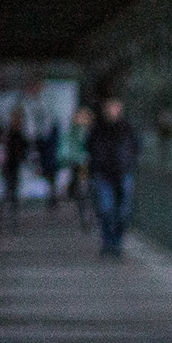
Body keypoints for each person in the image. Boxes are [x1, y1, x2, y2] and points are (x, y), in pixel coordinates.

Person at [86, 98, 141, 257]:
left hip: (123, 174)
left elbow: (135, 147)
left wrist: (130, 164)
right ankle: (108, 243)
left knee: (123, 211)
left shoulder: (126, 128)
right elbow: (90, 147)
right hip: (103, 174)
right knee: (106, 209)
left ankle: (117, 243)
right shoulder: (98, 129)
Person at [55, 106, 94, 230]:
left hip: (89, 164)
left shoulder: (91, 131)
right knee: (83, 189)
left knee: (86, 189)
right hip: (80, 164)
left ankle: (88, 214)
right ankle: (85, 215)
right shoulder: (73, 131)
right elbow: (67, 148)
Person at [0, 105, 29, 217]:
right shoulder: (9, 132)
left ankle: (13, 206)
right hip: (9, 162)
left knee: (14, 185)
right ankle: (9, 206)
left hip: (16, 163)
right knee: (10, 185)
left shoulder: (20, 132)